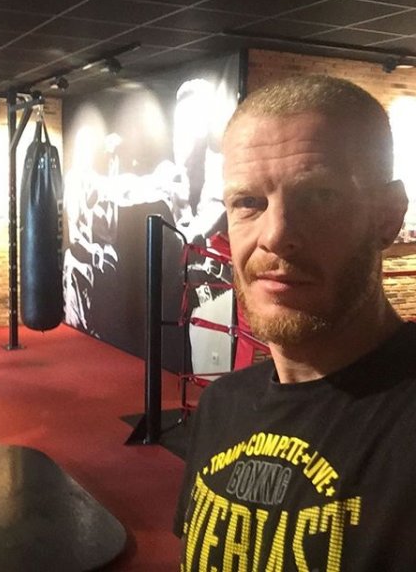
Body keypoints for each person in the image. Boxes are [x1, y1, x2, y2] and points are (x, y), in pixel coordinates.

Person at [174, 74, 416, 571]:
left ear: (387, 216)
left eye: (320, 197)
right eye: (248, 202)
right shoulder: (222, 405)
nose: (276, 235)